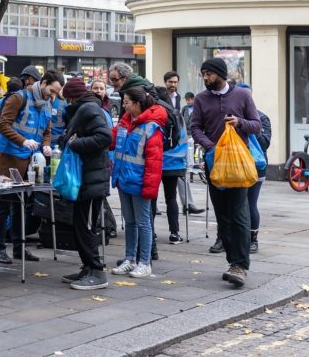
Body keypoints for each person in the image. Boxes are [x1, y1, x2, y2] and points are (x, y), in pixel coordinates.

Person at [189, 57, 262, 287]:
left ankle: (240, 265)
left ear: (220, 74)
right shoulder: (201, 99)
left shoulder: (242, 96)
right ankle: (233, 262)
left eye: (209, 74)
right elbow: (194, 127)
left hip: (238, 164)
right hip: (214, 163)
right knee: (223, 216)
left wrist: (239, 122)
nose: (205, 78)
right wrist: (210, 145)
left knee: (240, 213)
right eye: (203, 74)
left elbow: (256, 125)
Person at [0, 66, 59, 265]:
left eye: (56, 93)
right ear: (43, 83)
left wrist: (46, 145)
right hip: (8, 158)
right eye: (52, 91)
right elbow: (3, 125)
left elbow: (47, 130)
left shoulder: (46, 103)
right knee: (3, 206)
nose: (53, 96)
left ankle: (20, 248)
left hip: (29, 161)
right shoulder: (18, 98)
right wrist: (22, 141)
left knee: (22, 206)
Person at [58, 78, 113, 290]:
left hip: (92, 178)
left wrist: (76, 143)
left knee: (87, 226)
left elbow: (104, 137)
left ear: (71, 97)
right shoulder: (84, 108)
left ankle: (97, 271)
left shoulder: (88, 109)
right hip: (87, 177)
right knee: (80, 224)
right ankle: (88, 267)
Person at [110, 87, 165, 279]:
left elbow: (154, 162)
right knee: (130, 222)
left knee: (143, 223)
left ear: (137, 103)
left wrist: (149, 188)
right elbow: (111, 141)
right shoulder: (124, 123)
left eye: (126, 102)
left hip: (140, 182)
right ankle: (130, 259)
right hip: (124, 180)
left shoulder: (151, 128)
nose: (123, 105)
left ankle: (144, 262)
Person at [237, 84, 271, 255]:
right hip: (235, 166)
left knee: (250, 204)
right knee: (234, 205)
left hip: (256, 167)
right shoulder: (232, 117)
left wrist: (252, 125)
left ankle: (253, 239)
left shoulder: (262, 118)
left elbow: (265, 144)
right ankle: (225, 238)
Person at [154, 86, 188, 245]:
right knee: (171, 197)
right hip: (174, 164)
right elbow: (183, 141)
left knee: (151, 198)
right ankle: (174, 233)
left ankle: (150, 232)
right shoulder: (177, 116)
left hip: (156, 162)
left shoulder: (155, 114)